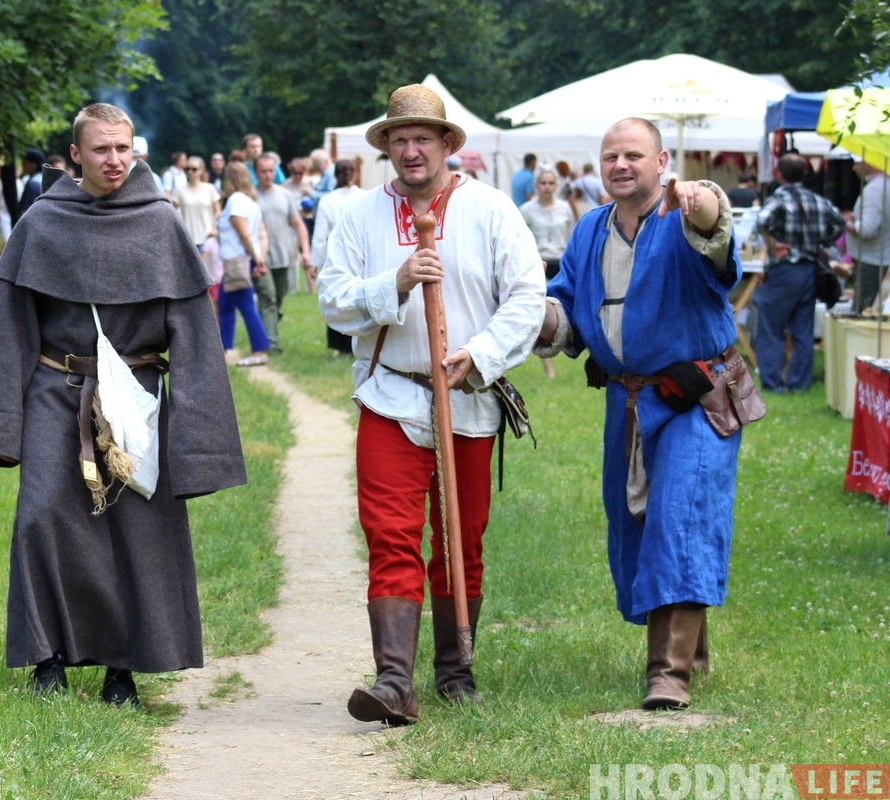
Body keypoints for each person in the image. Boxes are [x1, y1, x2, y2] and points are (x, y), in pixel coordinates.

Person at [0, 102, 246, 705]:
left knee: (132, 528)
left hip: (132, 398)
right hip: (52, 392)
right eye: (102, 149)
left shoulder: (160, 225)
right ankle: (47, 657)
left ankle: (122, 668)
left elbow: (194, 336)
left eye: (124, 147)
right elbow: (9, 330)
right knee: (42, 517)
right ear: (75, 157)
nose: (115, 160)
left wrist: (199, 439)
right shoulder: (42, 223)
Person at [317, 83, 546, 726]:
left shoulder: (493, 209)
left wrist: (480, 355)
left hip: (467, 397)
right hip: (392, 394)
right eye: (399, 139)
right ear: (385, 147)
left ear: (448, 144)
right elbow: (333, 300)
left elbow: (528, 296)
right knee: (389, 534)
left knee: (460, 536)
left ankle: (454, 668)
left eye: (423, 138)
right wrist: (394, 281)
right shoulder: (360, 215)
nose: (411, 150)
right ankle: (394, 682)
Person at [534, 117, 749, 711]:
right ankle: (694, 650)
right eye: (610, 156)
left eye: (633, 154)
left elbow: (716, 230)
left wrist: (700, 201)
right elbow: (567, 309)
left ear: (661, 161)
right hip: (628, 401)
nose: (620, 165)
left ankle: (668, 674)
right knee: (636, 523)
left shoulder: (684, 214)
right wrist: (531, 317)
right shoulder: (589, 229)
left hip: (698, 397)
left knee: (679, 516)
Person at [755, 153, 844, 392]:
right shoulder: (817, 199)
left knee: (771, 326)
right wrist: (822, 241)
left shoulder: (780, 198)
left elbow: (761, 220)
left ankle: (773, 383)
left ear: (778, 173)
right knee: (803, 331)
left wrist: (773, 243)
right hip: (810, 269)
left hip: (785, 268)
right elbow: (839, 223)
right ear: (804, 173)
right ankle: (800, 383)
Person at [520, 166, 575, 379]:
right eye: (543, 183)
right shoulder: (527, 209)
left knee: (564, 308)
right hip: (538, 261)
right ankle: (548, 366)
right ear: (536, 185)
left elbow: (570, 234)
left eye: (551, 183)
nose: (547, 187)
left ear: (556, 185)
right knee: (540, 310)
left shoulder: (564, 208)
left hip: (561, 261)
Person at [217, 159, 272, 367]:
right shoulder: (251, 202)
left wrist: (257, 260)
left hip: (238, 262)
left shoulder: (236, 201)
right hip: (246, 260)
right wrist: (260, 259)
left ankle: (259, 350)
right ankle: (222, 349)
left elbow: (245, 234)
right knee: (226, 305)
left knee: (246, 306)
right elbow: (262, 235)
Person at [254, 154, 311, 352]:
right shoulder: (251, 196)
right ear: (256, 172)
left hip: (284, 256)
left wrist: (305, 251)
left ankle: (266, 327)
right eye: (263, 171)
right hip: (261, 258)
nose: (267, 175)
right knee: (267, 297)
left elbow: (298, 224)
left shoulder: (284, 194)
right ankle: (271, 343)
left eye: (270, 171)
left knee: (278, 297)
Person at [311, 159, 365, 349]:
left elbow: (319, 236)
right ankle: (357, 340)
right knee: (360, 296)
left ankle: (339, 344)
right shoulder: (365, 197)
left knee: (336, 296)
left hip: (336, 256)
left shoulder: (328, 200)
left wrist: (314, 263)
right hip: (361, 255)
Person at [845, 157, 890, 313]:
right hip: (880, 257)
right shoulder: (884, 185)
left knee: (864, 312)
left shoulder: (874, 190)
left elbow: (867, 230)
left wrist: (849, 224)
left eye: (857, 163)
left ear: (869, 163)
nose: (853, 168)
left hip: (871, 260)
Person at [171, 155, 221, 253]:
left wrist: (214, 228)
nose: (190, 172)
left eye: (194, 169)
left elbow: (218, 211)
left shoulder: (209, 189)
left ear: (201, 170)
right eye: (187, 169)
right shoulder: (180, 191)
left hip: (207, 238)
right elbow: (172, 212)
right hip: (187, 239)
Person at [18, 148, 46, 216]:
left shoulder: (33, 185)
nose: (23, 164)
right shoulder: (42, 180)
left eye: (25, 162)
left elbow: (26, 211)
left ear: (34, 164)